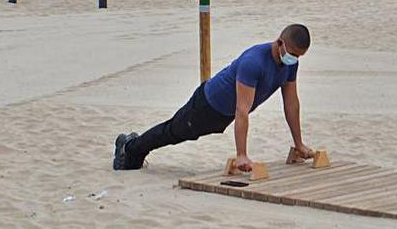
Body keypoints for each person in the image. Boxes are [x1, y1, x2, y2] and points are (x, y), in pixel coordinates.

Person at [113, 24, 315, 172]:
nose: (295, 59)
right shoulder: (253, 62)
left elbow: (291, 105)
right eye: (293, 54)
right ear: (280, 43)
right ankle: (129, 148)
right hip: (207, 105)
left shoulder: (290, 64)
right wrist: (241, 154)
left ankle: (133, 146)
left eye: (299, 56)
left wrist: (299, 143)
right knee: (174, 132)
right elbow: (242, 110)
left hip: (225, 114)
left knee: (175, 132)